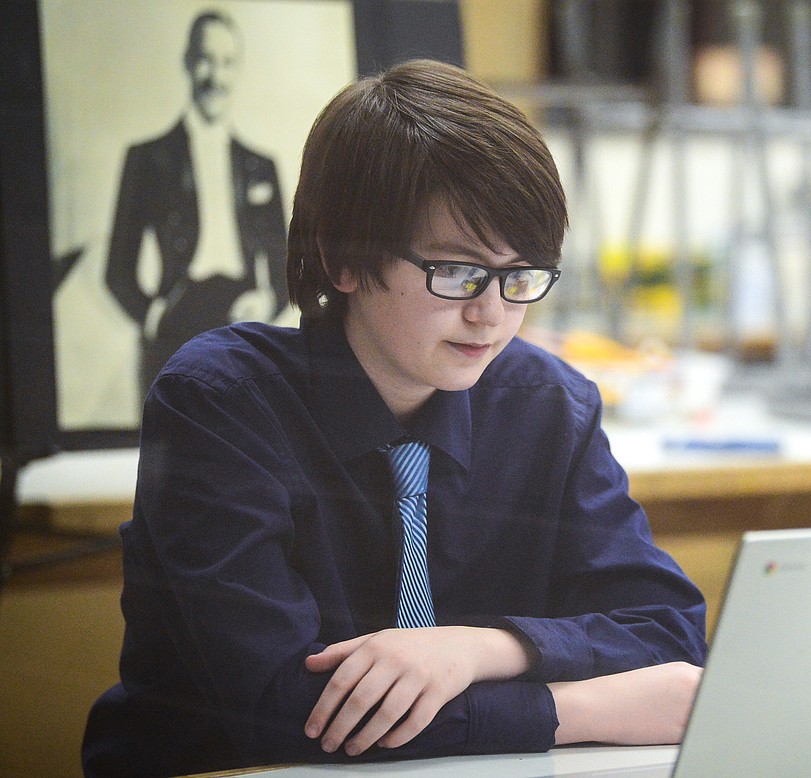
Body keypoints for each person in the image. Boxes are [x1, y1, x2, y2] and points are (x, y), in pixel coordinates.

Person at [82, 59, 707, 777]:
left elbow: (669, 634)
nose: (492, 313)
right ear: (342, 257)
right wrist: (577, 710)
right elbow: (280, 707)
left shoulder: (547, 405)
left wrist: (477, 648)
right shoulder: (220, 402)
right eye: (458, 272)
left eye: (522, 275)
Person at [105, 10, 288, 405]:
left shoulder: (261, 165)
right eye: (206, 59)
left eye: (226, 63)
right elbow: (117, 269)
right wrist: (153, 317)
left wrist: (268, 302)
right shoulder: (148, 159)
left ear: (238, 69)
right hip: (176, 323)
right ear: (188, 62)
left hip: (241, 325)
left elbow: (286, 268)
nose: (215, 77)